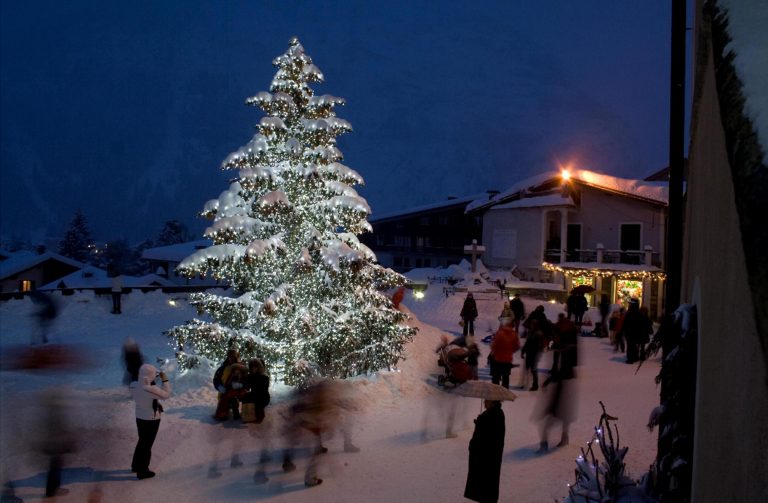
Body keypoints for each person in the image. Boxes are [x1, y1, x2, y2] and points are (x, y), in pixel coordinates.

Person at [130, 363, 171, 479]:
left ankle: (136, 465)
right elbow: (166, 395)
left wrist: (151, 379)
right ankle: (143, 471)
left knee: (142, 441)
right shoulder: (150, 389)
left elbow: (145, 384)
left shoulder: (133, 385)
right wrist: (165, 380)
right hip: (151, 419)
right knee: (146, 445)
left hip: (139, 417)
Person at [464, 400, 505, 503]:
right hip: (490, 456)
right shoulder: (496, 413)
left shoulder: (493, 415)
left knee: (485, 482)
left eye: (487, 401)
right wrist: (480, 422)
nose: (484, 403)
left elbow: (487, 436)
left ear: (493, 402)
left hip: (486, 456)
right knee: (487, 483)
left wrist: (480, 422)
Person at [489, 319, 520, 389]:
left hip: (498, 359)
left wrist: (494, 350)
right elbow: (517, 347)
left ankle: (496, 392)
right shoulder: (514, 334)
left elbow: (494, 346)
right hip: (508, 360)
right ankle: (505, 393)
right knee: (506, 377)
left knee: (496, 377)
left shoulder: (500, 333)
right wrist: (510, 352)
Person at [213, 349, 243, 420]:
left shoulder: (240, 367)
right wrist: (219, 387)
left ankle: (236, 410)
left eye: (232, 357)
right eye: (229, 357)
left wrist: (239, 385)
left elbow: (246, 380)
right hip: (224, 392)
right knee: (221, 415)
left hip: (236, 393)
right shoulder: (223, 368)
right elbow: (216, 379)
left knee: (234, 399)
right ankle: (225, 410)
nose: (231, 359)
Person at [242, 358, 270, 424]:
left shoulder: (264, 377)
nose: (253, 368)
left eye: (255, 367)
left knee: (258, 408)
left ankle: (259, 415)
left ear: (258, 367)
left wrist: (254, 379)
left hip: (263, 397)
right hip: (254, 395)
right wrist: (245, 379)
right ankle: (247, 414)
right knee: (245, 397)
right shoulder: (250, 376)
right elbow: (247, 388)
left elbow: (264, 390)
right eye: (252, 367)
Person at [520, 319, 543, 391]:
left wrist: (536, 354)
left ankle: (535, 385)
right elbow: (527, 342)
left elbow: (540, 346)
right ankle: (526, 384)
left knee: (533, 369)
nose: (531, 325)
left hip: (535, 354)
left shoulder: (539, 334)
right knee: (527, 368)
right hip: (529, 353)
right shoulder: (530, 332)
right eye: (531, 324)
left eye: (532, 324)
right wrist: (523, 351)